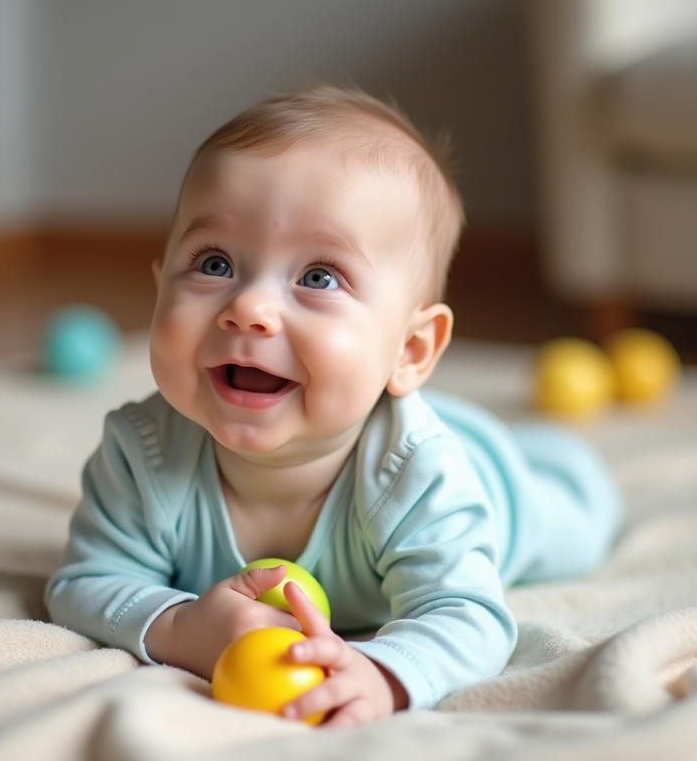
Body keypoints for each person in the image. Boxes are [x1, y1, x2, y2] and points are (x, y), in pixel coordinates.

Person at [46, 84, 621, 726]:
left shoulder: (420, 478)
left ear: (409, 349)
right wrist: (184, 629)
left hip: (498, 485)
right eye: (213, 262)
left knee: (580, 519)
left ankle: (562, 459)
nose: (249, 308)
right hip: (388, 420)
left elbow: (470, 615)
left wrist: (384, 672)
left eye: (318, 277)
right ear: (160, 289)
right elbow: (82, 584)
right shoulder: (142, 452)